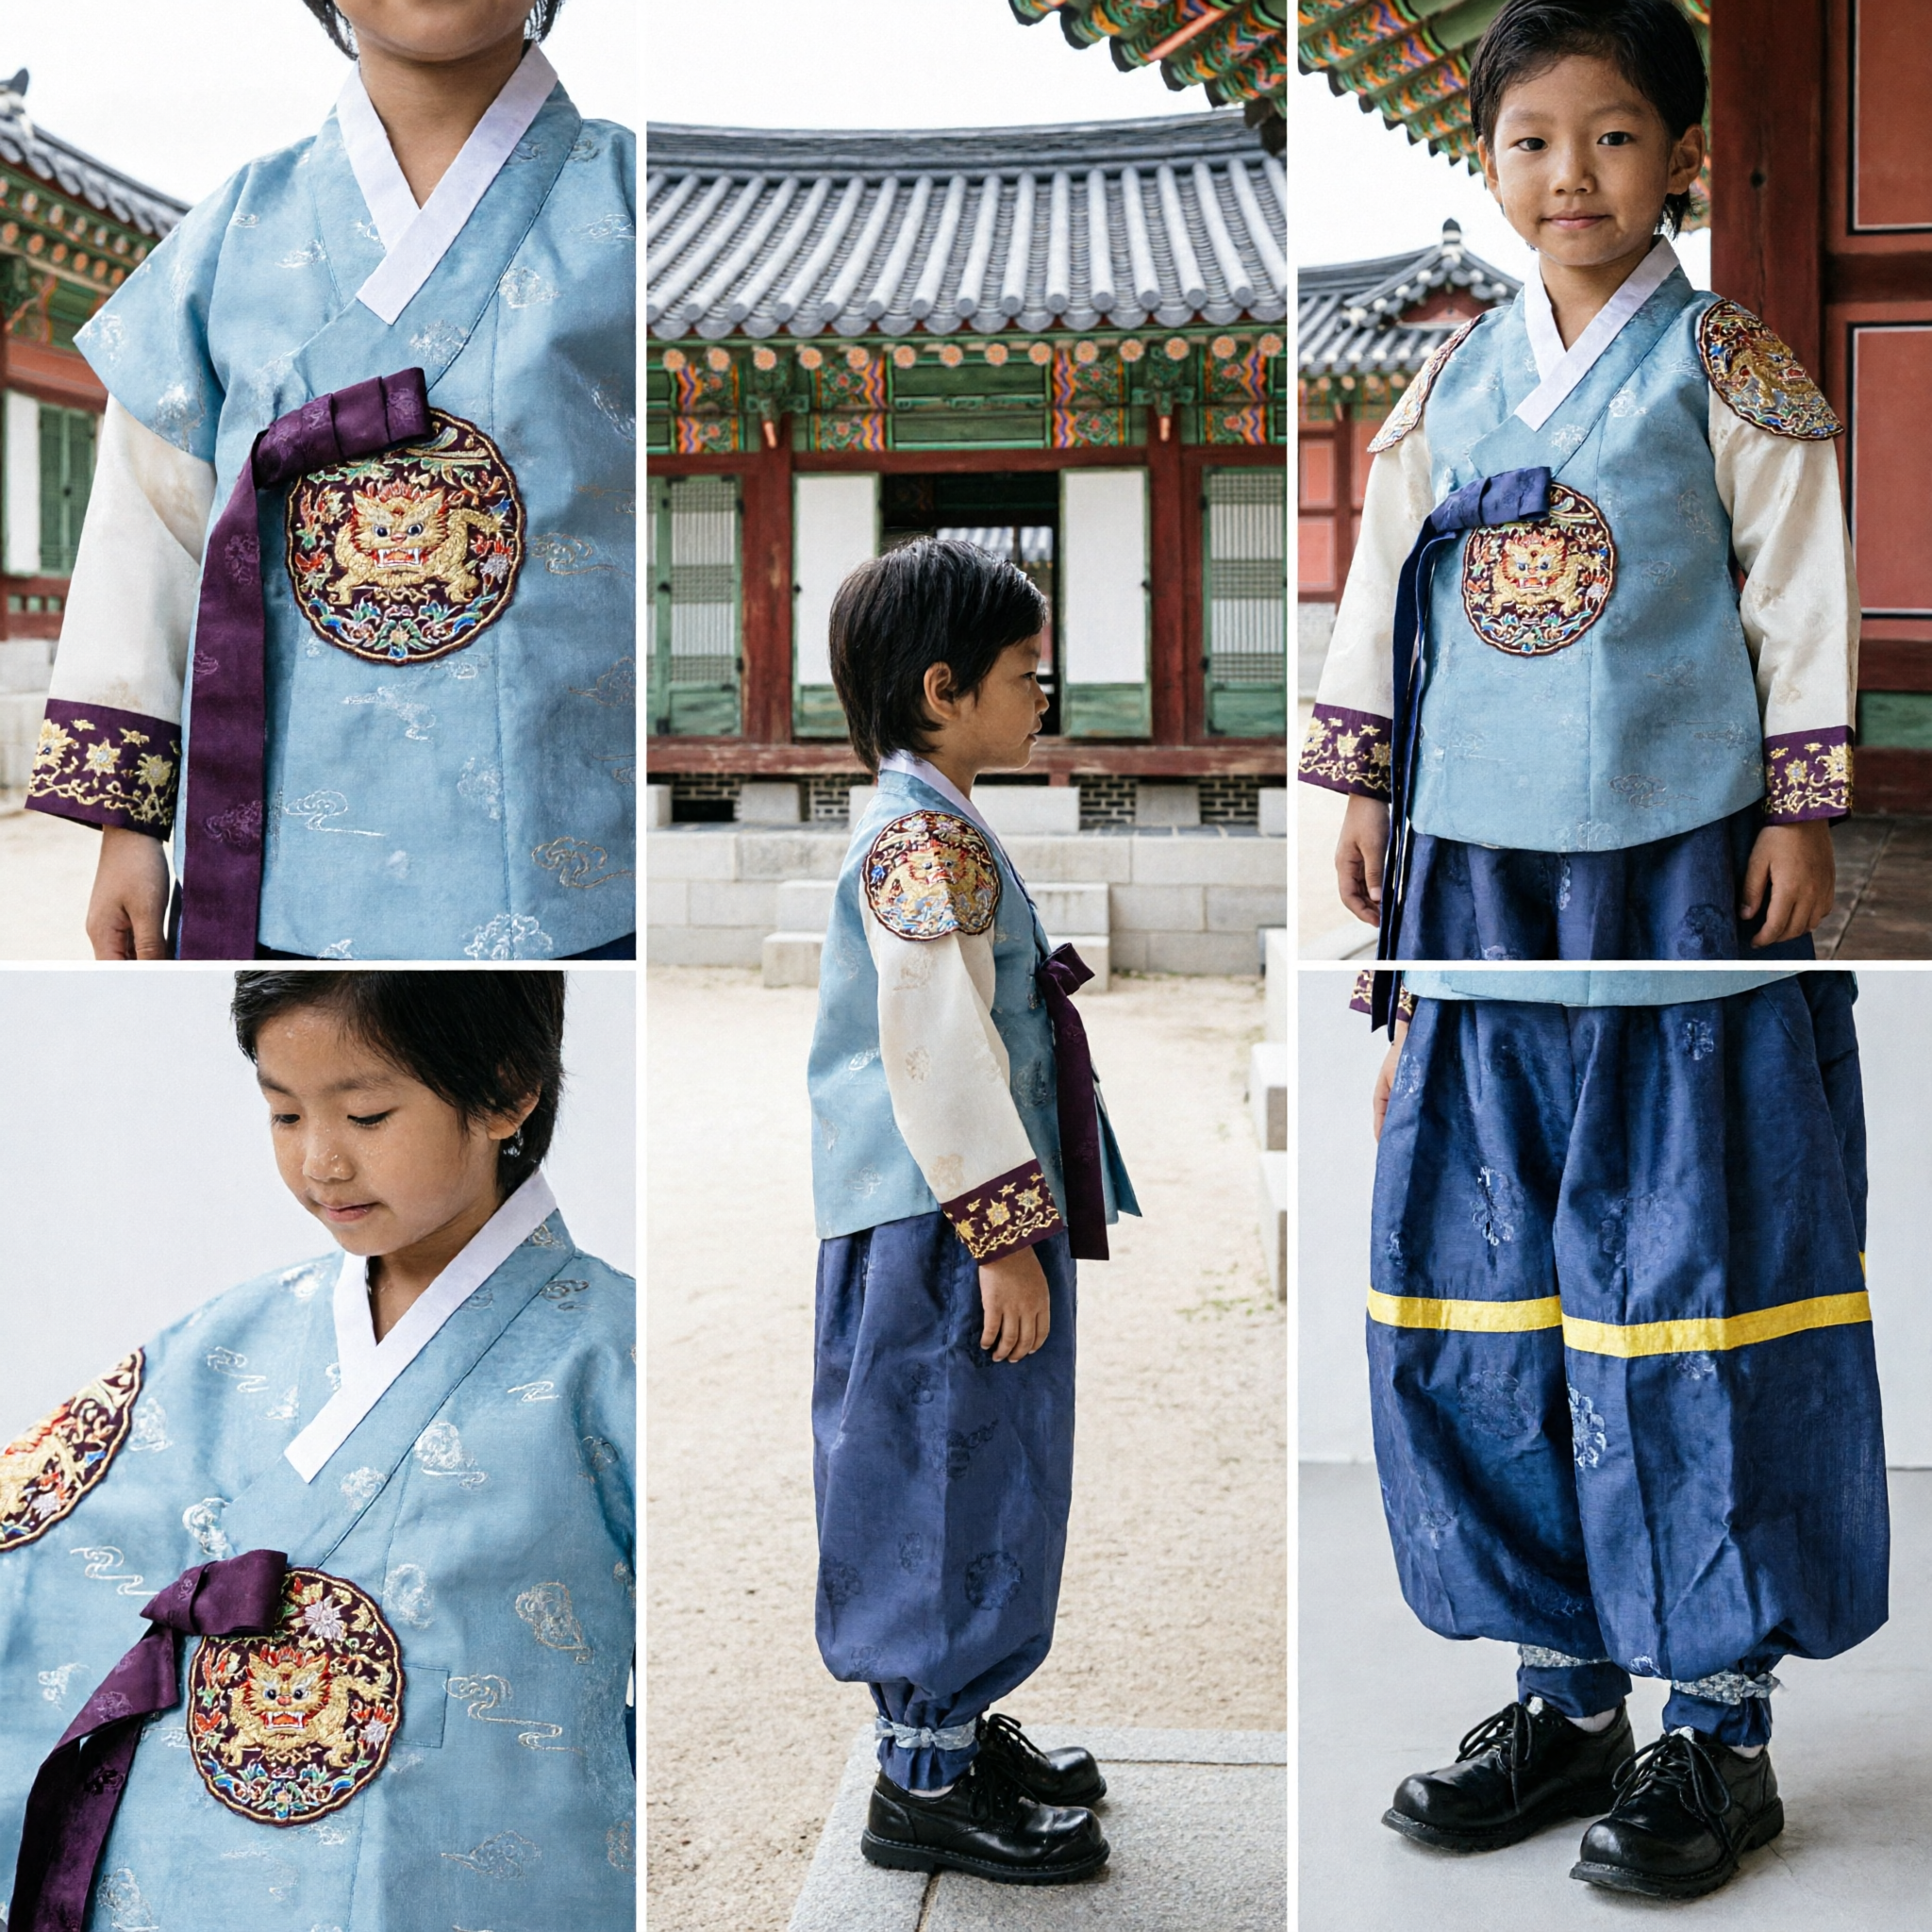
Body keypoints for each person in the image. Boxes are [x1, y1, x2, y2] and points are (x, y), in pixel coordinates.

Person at [0, 971, 635, 1929]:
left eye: (368, 1114)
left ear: (507, 1089)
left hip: (479, 1866)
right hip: (184, 1881)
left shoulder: (613, 1350)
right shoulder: (230, 1340)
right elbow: (42, 1534)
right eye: (284, 1114)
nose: (320, 1163)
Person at [24, 0, 635, 963]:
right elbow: (150, 532)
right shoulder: (233, 234)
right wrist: (128, 827)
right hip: (285, 861)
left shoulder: (634, 207)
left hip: (576, 863)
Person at [1300, 0, 1856, 963]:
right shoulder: (1452, 374)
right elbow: (1384, 584)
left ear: (1680, 158)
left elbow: (1796, 587)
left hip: (1678, 808)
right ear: (1486, 165)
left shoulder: (1722, 357)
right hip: (1467, 808)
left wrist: (1796, 812)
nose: (1569, 174)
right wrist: (1368, 787)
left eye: (1610, 135)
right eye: (1529, 141)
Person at [1361, 965, 1884, 1900]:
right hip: (1483, 979)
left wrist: (1801, 808)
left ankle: (1719, 1736)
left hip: (1700, 969)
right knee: (1495, 1350)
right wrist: (1403, 1000)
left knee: (1704, 1353)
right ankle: (1570, 1713)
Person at [806, 538, 1139, 1885]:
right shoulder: (918, 841)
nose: (1040, 698)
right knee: (933, 1465)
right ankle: (922, 1777)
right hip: (941, 1228)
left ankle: (956, 1716)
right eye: (1024, 677)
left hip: (959, 1214)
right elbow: (935, 1045)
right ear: (943, 688)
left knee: (986, 1459)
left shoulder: (931, 821)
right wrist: (1002, 1239)